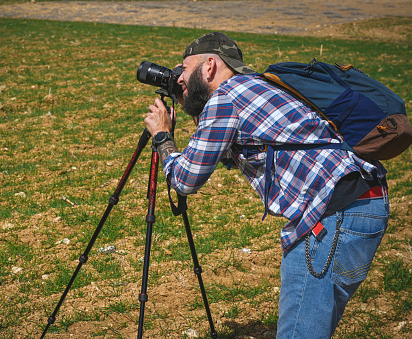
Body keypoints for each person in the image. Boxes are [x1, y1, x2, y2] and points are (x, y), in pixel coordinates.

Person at [144, 32, 389, 338]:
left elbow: (185, 179)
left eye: (184, 68)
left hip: (333, 218)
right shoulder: (258, 86)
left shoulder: (226, 98)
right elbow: (232, 153)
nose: (179, 77)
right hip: (362, 205)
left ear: (209, 66)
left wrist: (163, 137)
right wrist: (193, 106)